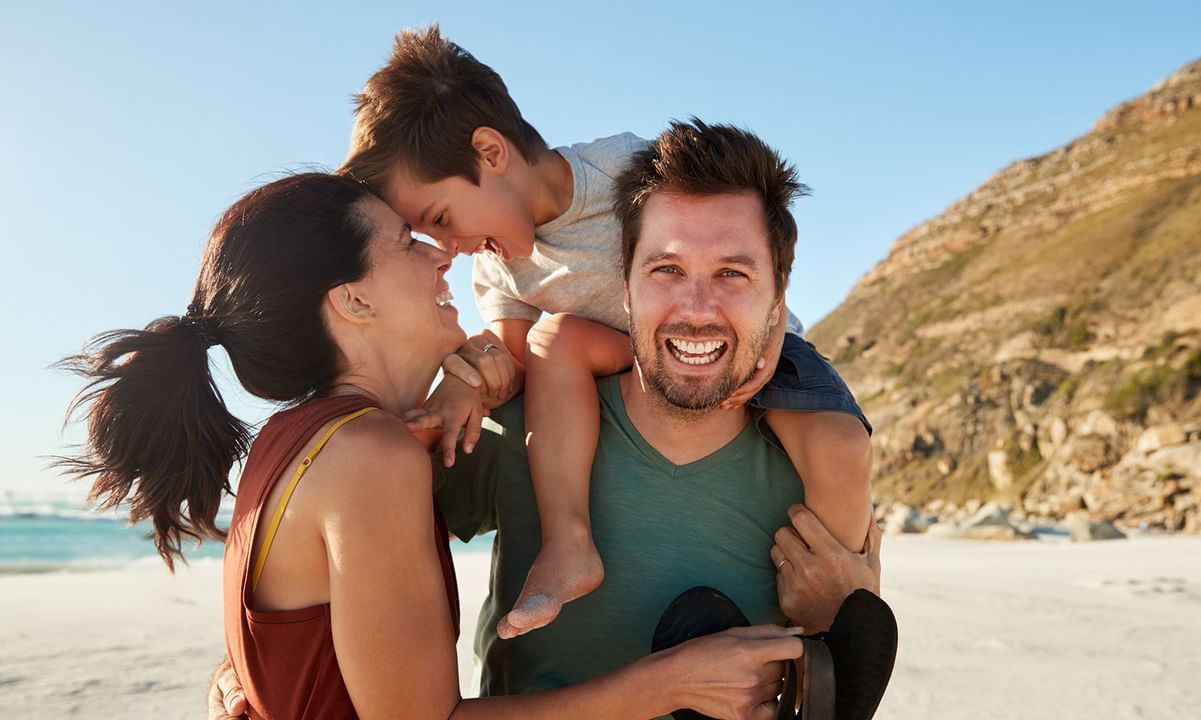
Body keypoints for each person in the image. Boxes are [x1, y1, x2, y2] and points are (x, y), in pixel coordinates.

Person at [60, 172, 810, 719]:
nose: (440, 254)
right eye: (404, 243)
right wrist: (671, 684)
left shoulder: (300, 444)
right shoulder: (367, 458)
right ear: (353, 301)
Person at [338, 25, 876, 639]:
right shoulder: (496, 267)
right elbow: (515, 365)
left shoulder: (627, 168)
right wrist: (467, 381)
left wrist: (772, 328)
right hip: (634, 356)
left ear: (491, 153)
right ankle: (569, 543)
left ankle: (843, 622)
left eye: (441, 218)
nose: (450, 248)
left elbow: (747, 230)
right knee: (552, 341)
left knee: (841, 447)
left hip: (745, 346)